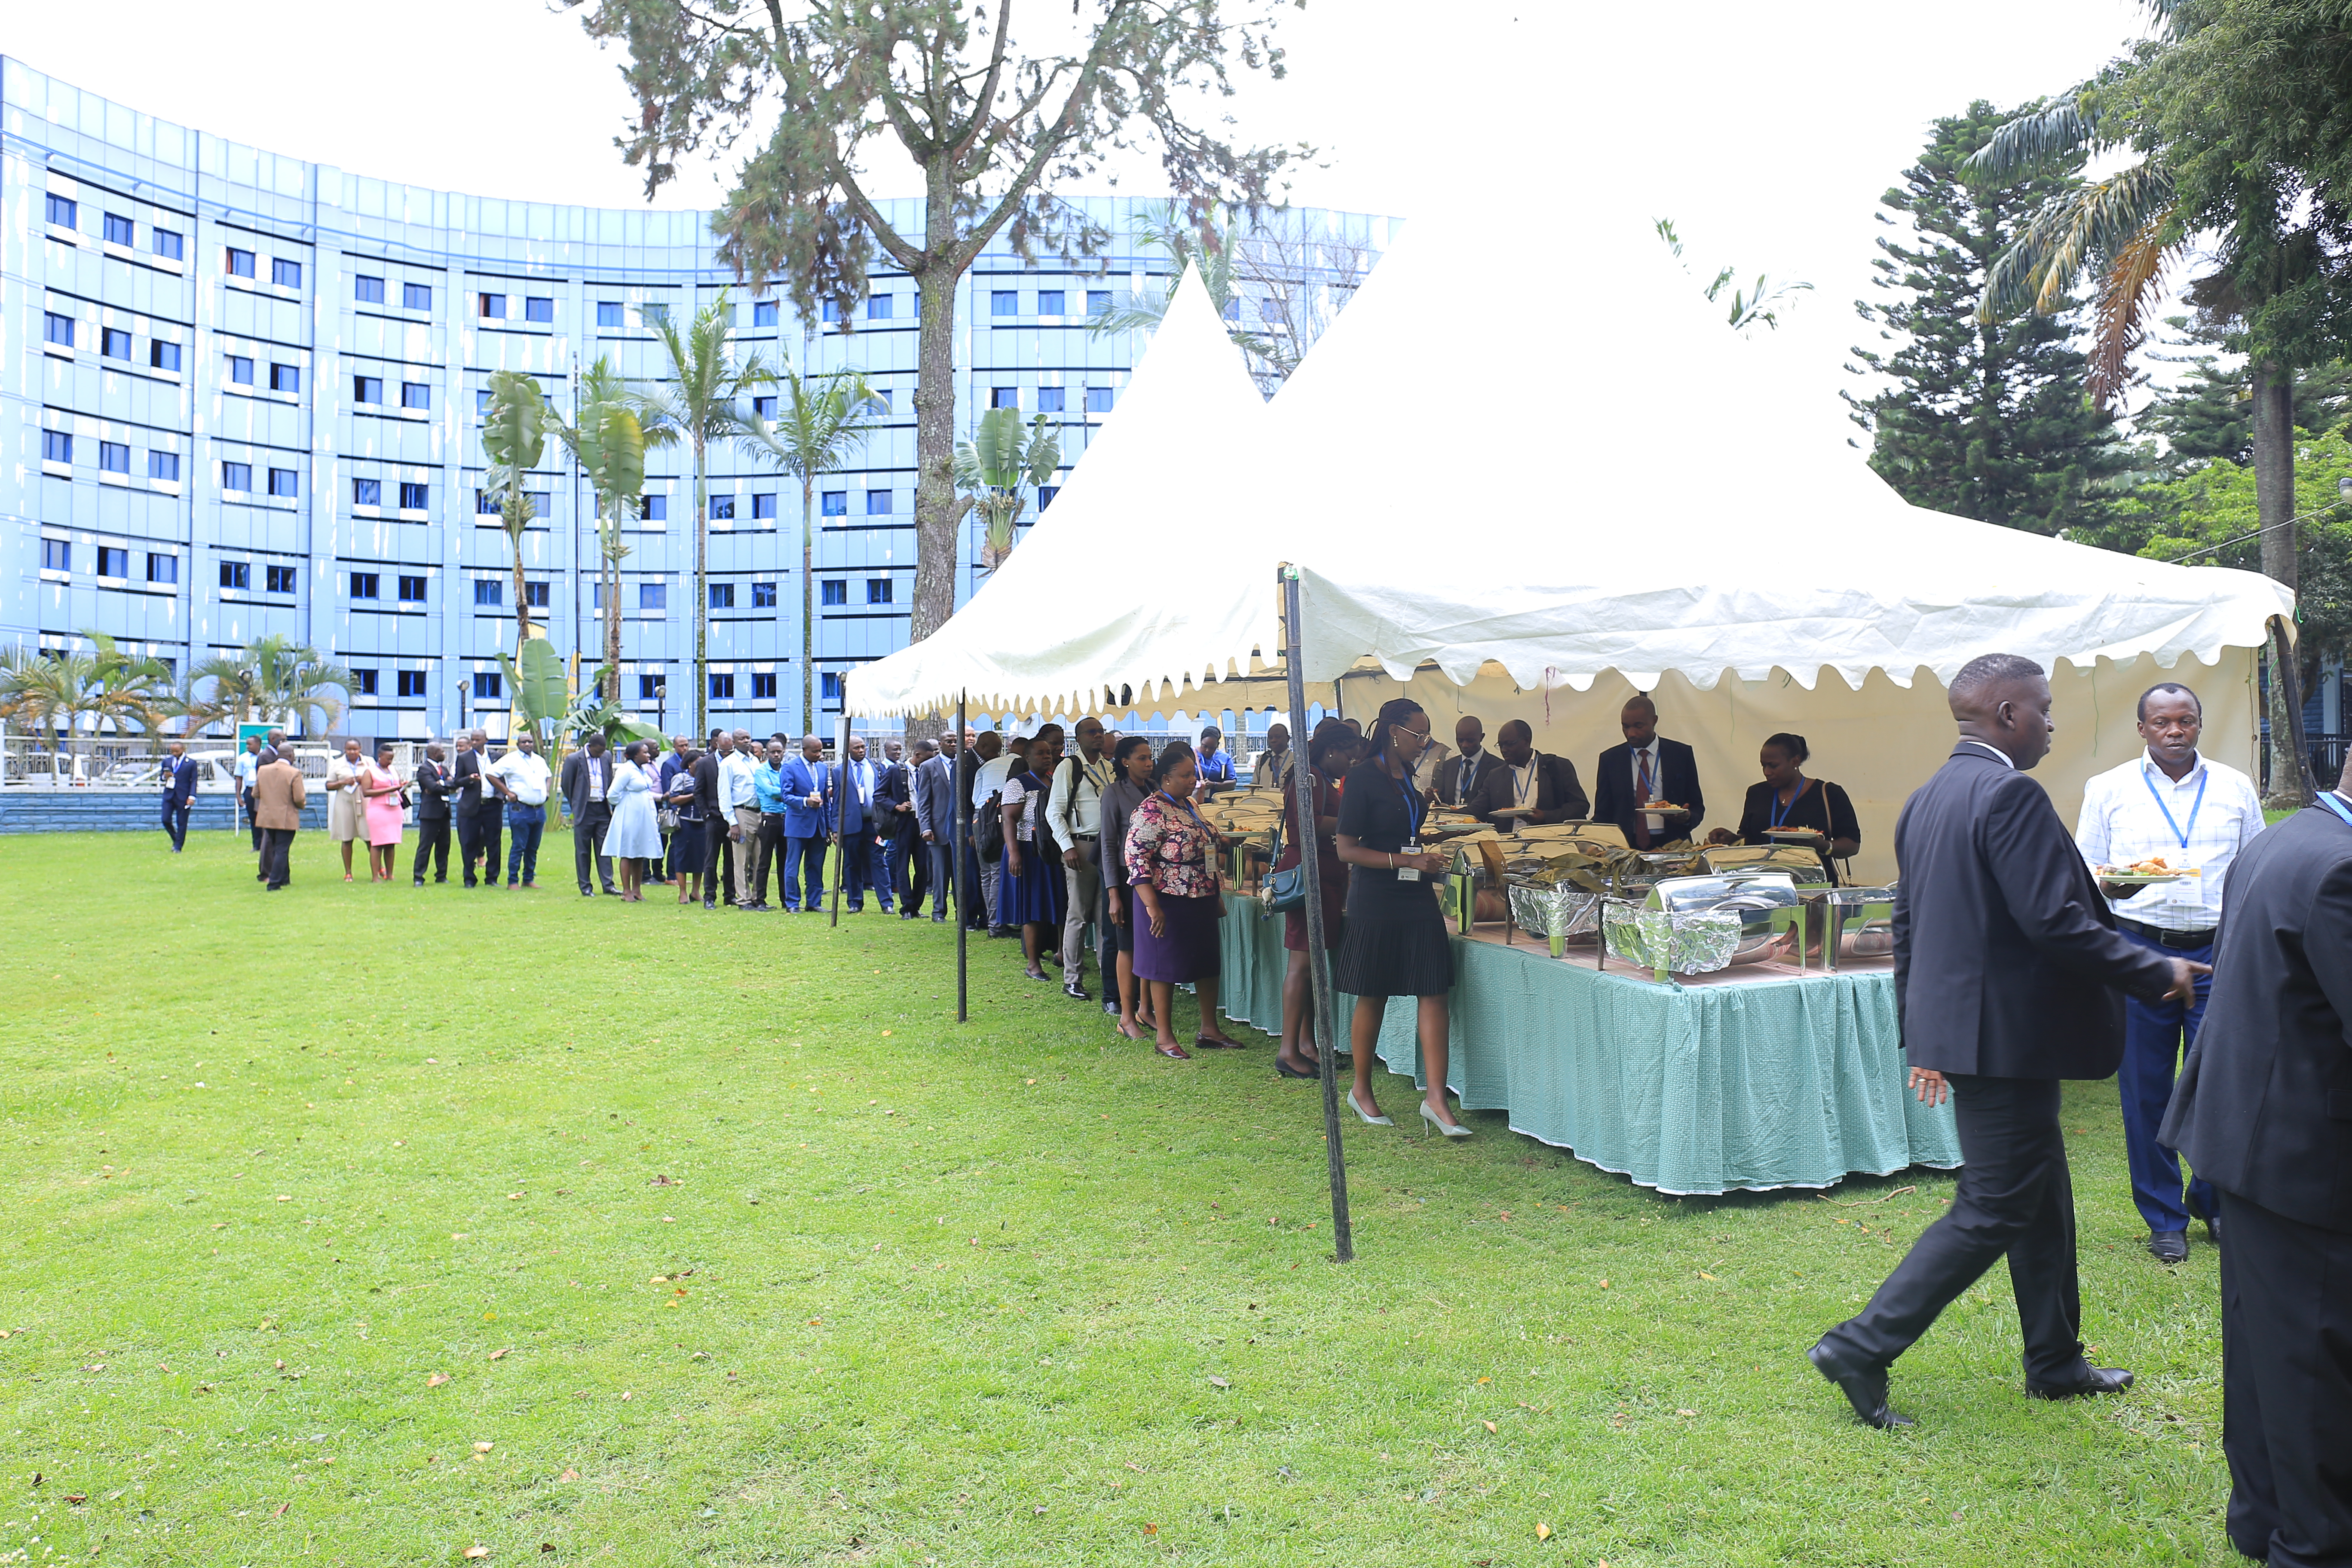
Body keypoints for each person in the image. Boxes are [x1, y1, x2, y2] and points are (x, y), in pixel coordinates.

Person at [1807, 653, 2203, 1431]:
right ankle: (1859, 1345)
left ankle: (2053, 1360)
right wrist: (2153, 968)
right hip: (2008, 1040)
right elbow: (2052, 922)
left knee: (2043, 1199)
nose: (2053, 723)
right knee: (1992, 1206)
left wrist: (1922, 1033)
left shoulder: (1926, 798)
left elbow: (1909, 929)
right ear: (2009, 714)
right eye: (2046, 709)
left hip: (1987, 1037)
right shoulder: (2009, 792)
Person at [2159, 773, 2352, 1567]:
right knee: (2311, 1361)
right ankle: (2311, 1546)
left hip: (2251, 1136)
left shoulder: (2284, 836)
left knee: (2267, 1348)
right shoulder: (2337, 865)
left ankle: (2261, 1518)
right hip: (2302, 1149)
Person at [2075, 681, 2264, 1262]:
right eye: (2162, 722)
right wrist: (2142, 876)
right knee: (2145, 1090)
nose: (2175, 730)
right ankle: (2163, 1217)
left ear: (2200, 724)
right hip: (2142, 953)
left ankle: (2216, 1202)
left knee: (2221, 1086)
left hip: (2217, 952)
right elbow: (2091, 876)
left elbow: (2258, 868)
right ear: (2142, 729)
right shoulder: (2108, 790)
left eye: (2186, 720)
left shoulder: (2235, 787)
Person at [1333, 698, 1470, 1136]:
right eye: (1418, 735)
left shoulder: (1408, 775)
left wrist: (1425, 846)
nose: (1423, 743)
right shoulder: (1361, 776)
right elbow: (1347, 849)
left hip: (1415, 893)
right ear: (1394, 730)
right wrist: (1402, 860)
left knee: (1432, 989)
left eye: (1426, 736)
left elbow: (1401, 831)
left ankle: (1436, 1098)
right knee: (1373, 993)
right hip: (1375, 896)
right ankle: (1361, 1089)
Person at [1124, 743, 1241, 1057]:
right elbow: (1137, 860)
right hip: (1166, 899)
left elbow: (1211, 841)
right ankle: (1164, 1036)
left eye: (1194, 774)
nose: (1193, 780)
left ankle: (1209, 1029)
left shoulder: (1189, 804)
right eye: (1186, 775)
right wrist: (1152, 906)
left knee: (1206, 963)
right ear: (1166, 778)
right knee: (1164, 967)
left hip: (1201, 895)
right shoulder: (1150, 811)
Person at [1275, 718, 1354, 1079]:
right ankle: (1288, 1050)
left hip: (1324, 872)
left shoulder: (1319, 777)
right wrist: (1351, 823)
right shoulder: (1308, 778)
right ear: (1331, 751)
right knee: (1302, 964)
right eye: (1348, 757)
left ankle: (1306, 1043)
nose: (1350, 764)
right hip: (1311, 873)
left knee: (1311, 964)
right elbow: (1305, 823)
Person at [1706, 732, 1862, 882]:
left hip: (1813, 885)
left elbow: (1852, 845)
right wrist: (1733, 839)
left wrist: (1821, 845)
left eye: (1773, 766)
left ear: (1795, 761)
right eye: (1763, 766)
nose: (1767, 772)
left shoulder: (1828, 793)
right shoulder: (1757, 793)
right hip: (1763, 883)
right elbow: (1750, 839)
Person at [1047, 716, 1112, 1001]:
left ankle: (1108, 973)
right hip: (1081, 846)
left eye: (1101, 732)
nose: (1098, 736)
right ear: (1080, 738)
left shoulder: (1109, 768)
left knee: (1104, 915)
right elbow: (1054, 812)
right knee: (1078, 915)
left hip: (1107, 847)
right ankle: (1072, 979)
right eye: (1092, 732)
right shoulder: (1069, 767)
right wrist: (1067, 847)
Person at [1001, 726, 1070, 981]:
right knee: (1033, 909)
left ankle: (1063, 953)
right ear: (1028, 758)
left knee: (1062, 903)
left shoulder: (1056, 782)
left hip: (1053, 850)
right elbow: (1008, 819)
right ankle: (1032, 964)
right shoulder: (1018, 783)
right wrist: (1014, 853)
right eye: (1040, 753)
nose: (1047, 756)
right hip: (1028, 851)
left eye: (1048, 753)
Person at [1099, 735, 1158, 1035]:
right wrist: (1113, 894)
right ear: (1125, 761)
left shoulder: (1154, 790)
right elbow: (1108, 845)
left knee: (1148, 944)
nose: (1149, 763)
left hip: (1151, 877)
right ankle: (1126, 1016)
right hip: (1125, 878)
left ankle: (1145, 1009)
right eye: (1142, 758)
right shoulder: (1113, 793)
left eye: (1151, 758)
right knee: (1127, 946)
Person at [1592, 694, 1704, 847]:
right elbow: (1603, 813)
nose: (1631, 733)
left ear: (1654, 721)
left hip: (1673, 845)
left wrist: (1687, 818)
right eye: (1625, 726)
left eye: (1638, 726)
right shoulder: (1610, 759)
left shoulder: (1681, 754)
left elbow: (1697, 806)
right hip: (1626, 847)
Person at [1466, 720, 1590, 826]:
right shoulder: (1495, 776)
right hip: (1508, 842)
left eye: (1509, 744)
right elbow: (1477, 809)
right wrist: (1449, 815)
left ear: (1526, 741)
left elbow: (1580, 806)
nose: (1504, 750)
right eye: (1501, 745)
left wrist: (1546, 816)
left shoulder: (1556, 767)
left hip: (1548, 841)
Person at [485, 732, 554, 889]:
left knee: (533, 847)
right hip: (521, 808)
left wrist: (547, 791)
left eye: (530, 742)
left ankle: (528, 878)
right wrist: (507, 793)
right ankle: (513, 880)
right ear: (518, 744)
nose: (528, 744)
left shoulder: (539, 760)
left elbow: (548, 776)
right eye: (524, 742)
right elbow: (491, 774)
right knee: (519, 845)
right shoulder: (511, 760)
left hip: (539, 809)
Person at [560, 735, 621, 897]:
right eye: (599, 751)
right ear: (590, 747)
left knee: (604, 849)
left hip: (602, 808)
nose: (601, 754)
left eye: (603, 751)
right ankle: (586, 887)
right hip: (584, 809)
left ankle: (608, 885)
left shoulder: (606, 756)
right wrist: (576, 803)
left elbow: (609, 778)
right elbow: (566, 784)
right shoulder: (574, 759)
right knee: (583, 850)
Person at [779, 734, 833, 913]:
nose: (820, 754)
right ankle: (793, 903)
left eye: (821, 751)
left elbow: (825, 798)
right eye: (815, 751)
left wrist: (828, 826)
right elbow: (786, 796)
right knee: (792, 866)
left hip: (819, 825)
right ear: (805, 750)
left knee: (815, 865)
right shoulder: (790, 767)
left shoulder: (823, 768)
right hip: (798, 825)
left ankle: (814, 902)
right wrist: (805, 802)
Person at [971, 731, 1020, 933]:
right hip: (999, 817)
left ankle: (993, 922)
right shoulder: (1019, 766)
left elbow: (975, 798)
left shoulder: (986, 766)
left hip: (979, 817)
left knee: (986, 873)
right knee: (999, 871)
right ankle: (997, 924)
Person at [602, 741, 662, 901]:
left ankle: (637, 889)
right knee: (628, 851)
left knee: (639, 852)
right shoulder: (626, 771)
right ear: (636, 754)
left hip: (644, 814)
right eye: (645, 752)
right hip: (630, 814)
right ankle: (626, 891)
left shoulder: (642, 770)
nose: (649, 755)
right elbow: (612, 794)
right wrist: (627, 802)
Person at [836, 735, 887, 913]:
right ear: (848, 750)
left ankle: (887, 903)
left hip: (873, 823)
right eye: (857, 748)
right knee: (852, 863)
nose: (861, 751)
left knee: (879, 861)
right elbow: (837, 802)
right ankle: (855, 902)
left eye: (863, 747)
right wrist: (836, 828)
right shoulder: (839, 771)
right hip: (851, 824)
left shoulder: (876, 767)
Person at [957, 731, 1000, 931]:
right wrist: (969, 831)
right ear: (983, 748)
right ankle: (967, 919)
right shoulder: (966, 764)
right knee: (971, 876)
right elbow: (963, 802)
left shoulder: (983, 762)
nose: (998, 755)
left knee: (983, 874)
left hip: (981, 825)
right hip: (969, 827)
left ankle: (984, 917)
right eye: (995, 751)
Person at [252, 746, 306, 890]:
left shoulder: (263, 770)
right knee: (282, 849)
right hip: (286, 816)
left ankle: (284, 878)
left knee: (277, 848)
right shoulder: (294, 773)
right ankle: (274, 883)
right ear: (291, 755)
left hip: (267, 816)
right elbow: (299, 797)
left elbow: (256, 793)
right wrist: (302, 805)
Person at [453, 732, 501, 889]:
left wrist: (503, 796)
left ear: (486, 740)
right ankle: (469, 878)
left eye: (477, 740)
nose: (474, 742)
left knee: (494, 842)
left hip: (492, 805)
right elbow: (457, 781)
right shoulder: (464, 758)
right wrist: (469, 780)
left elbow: (503, 778)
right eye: (472, 740)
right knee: (468, 842)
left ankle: (492, 878)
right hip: (471, 806)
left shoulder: (496, 757)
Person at [721, 730, 761, 908]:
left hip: (760, 813)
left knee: (760, 859)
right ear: (734, 742)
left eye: (748, 738)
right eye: (742, 739)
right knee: (742, 860)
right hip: (741, 813)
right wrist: (733, 823)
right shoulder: (728, 764)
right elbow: (724, 795)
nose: (746, 741)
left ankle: (757, 897)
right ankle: (743, 899)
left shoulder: (755, 760)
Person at [747, 739, 789, 910]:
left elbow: (784, 790)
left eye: (779, 752)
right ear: (767, 753)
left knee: (785, 862)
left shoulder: (787, 769)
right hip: (769, 819)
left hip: (786, 819)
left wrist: (785, 792)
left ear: (784, 752)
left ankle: (786, 899)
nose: (777, 755)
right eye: (773, 752)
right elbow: (772, 792)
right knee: (764, 861)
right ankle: (760, 900)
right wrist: (788, 792)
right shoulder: (761, 771)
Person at [878, 739, 917, 915]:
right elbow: (879, 795)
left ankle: (916, 905)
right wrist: (897, 806)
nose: (898, 752)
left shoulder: (925, 771)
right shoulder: (896, 771)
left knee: (923, 867)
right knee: (902, 864)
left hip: (922, 822)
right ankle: (907, 906)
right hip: (903, 822)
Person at [359, 742, 408, 882]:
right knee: (378, 843)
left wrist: (401, 787)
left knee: (391, 843)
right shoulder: (370, 771)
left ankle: (390, 874)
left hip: (394, 808)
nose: (390, 761)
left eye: (392, 759)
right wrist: (390, 790)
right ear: (380, 757)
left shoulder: (392, 770)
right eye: (388, 758)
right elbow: (366, 792)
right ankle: (375, 876)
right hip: (379, 809)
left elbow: (395, 785)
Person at [666, 745, 707, 905]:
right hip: (685, 823)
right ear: (690, 764)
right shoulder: (680, 778)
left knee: (700, 858)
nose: (701, 765)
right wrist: (693, 795)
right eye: (698, 762)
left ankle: (696, 891)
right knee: (682, 857)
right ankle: (682, 892)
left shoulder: (706, 777)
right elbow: (673, 799)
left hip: (702, 822)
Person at [324, 737, 367, 882]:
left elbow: (377, 780)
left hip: (365, 802)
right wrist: (342, 782)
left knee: (370, 837)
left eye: (355, 749)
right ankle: (348, 872)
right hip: (345, 802)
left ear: (360, 749)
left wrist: (365, 780)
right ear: (345, 750)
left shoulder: (369, 762)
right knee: (347, 837)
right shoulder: (337, 764)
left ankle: (379, 867)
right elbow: (328, 785)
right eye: (349, 749)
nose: (352, 752)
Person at [411, 742, 453, 885]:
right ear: (435, 754)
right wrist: (443, 785)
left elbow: (452, 785)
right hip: (430, 814)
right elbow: (432, 787)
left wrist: (443, 784)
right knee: (425, 846)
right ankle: (418, 877)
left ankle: (441, 875)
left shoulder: (444, 769)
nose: (444, 754)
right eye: (442, 752)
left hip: (445, 812)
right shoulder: (424, 770)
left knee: (444, 845)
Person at [1431, 717, 1491, 808]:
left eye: (1470, 741)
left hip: (1482, 821)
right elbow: (1443, 800)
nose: (1465, 745)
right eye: (1460, 740)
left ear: (1481, 737)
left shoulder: (1497, 768)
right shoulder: (1449, 766)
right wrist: (1434, 797)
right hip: (1451, 821)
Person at [159, 739, 198, 852]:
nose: (174, 754)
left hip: (184, 796)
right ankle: (177, 839)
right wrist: (165, 776)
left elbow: (194, 780)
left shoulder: (191, 763)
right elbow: (161, 777)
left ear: (182, 749)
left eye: (176, 751)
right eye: (172, 751)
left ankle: (178, 847)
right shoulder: (167, 761)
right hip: (169, 795)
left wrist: (192, 796)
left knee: (182, 822)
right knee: (165, 819)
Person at [234, 734, 263, 852]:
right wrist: (238, 795)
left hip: (264, 791)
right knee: (253, 818)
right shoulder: (243, 758)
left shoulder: (266, 756)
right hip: (250, 790)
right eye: (247, 744)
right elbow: (239, 778)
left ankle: (267, 844)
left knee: (265, 818)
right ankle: (257, 845)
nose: (248, 746)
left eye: (250, 744)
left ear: (258, 744)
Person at [1195, 726, 1236, 797]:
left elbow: (1232, 784)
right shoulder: (1191, 754)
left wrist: (1214, 785)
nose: (1207, 750)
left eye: (1212, 748)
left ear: (1217, 745)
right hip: (1191, 801)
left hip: (1215, 801)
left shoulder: (1224, 758)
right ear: (1201, 741)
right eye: (1205, 746)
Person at [1250, 722, 1294, 789]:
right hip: (1264, 798)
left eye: (1278, 737)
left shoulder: (1295, 760)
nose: (1274, 740)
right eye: (1270, 738)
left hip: (1285, 798)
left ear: (1288, 739)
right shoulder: (1263, 759)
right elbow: (1255, 784)